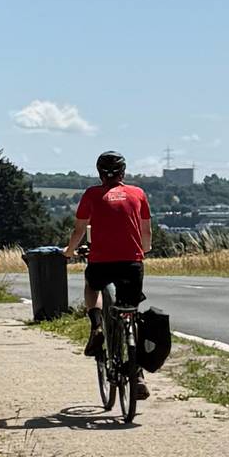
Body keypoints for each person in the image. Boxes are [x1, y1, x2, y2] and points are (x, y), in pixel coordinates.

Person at [61, 150, 152, 399]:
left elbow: (79, 230)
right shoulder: (138, 194)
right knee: (131, 312)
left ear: (100, 173)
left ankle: (97, 324)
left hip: (101, 261)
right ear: (123, 172)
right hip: (132, 263)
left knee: (92, 286)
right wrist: (143, 250)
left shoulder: (91, 194)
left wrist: (69, 252)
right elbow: (146, 233)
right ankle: (138, 375)